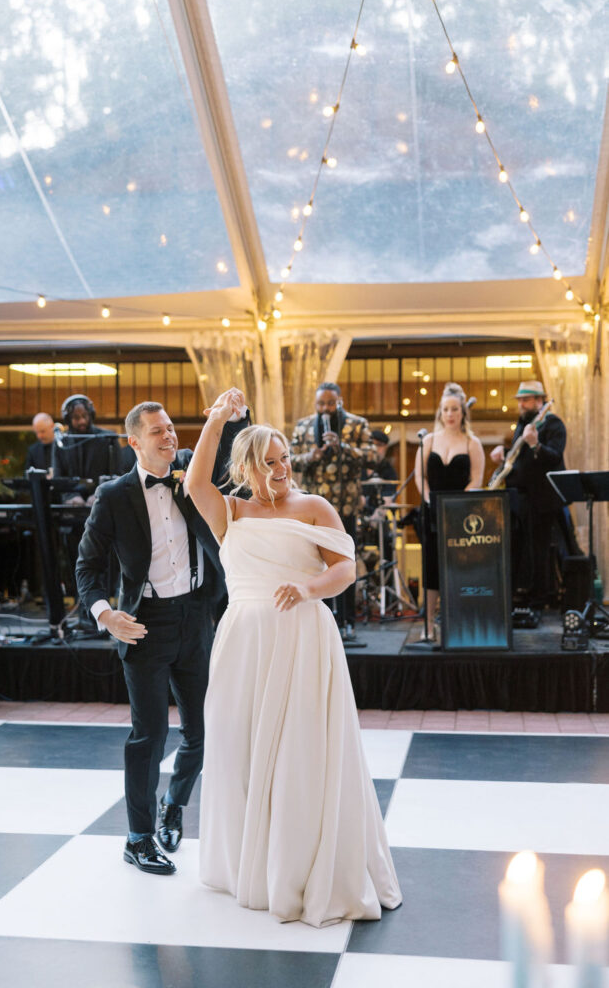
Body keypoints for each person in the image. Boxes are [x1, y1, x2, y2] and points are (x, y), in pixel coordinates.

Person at [186, 391, 402, 927]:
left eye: (285, 459)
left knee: (300, 751)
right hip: (242, 641)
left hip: (304, 636)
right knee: (238, 743)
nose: (282, 469)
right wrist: (216, 419)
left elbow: (345, 569)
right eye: (270, 461)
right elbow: (193, 484)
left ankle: (298, 865)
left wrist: (308, 589)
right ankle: (246, 866)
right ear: (246, 468)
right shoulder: (229, 511)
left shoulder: (314, 507)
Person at [75, 394, 248, 877]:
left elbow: (232, 448)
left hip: (197, 617)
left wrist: (233, 413)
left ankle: (176, 805)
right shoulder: (113, 496)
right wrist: (106, 613)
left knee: (201, 730)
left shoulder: (190, 469)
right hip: (143, 624)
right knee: (148, 736)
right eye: (158, 431)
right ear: (134, 441)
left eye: (171, 428)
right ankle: (138, 837)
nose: (170, 436)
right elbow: (87, 565)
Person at [290, 382, 373, 639]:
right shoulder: (303, 426)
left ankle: (348, 620)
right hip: (312, 507)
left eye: (330, 403)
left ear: (340, 401)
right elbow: (290, 460)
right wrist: (310, 457)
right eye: (321, 404)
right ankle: (321, 620)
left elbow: (372, 457)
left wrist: (343, 447)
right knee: (314, 563)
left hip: (345, 506)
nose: (325, 409)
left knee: (344, 562)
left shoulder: (357, 424)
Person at [414, 382, 485, 640]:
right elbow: (420, 477)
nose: (450, 414)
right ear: (440, 413)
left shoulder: (472, 442)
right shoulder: (428, 441)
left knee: (458, 568)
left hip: (461, 515)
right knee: (431, 568)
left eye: (455, 409)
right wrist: (429, 500)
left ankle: (457, 622)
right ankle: (429, 625)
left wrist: (460, 506)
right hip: (432, 511)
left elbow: (477, 478)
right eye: (446, 409)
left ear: (463, 412)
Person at [490, 380, 566, 613]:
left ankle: (540, 597)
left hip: (542, 498)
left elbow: (554, 457)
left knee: (539, 549)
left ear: (539, 401)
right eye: (520, 400)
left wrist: (536, 445)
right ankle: (521, 593)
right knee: (521, 549)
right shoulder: (523, 423)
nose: (521, 404)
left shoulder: (553, 424)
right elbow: (519, 458)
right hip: (519, 497)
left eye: (526, 399)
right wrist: (504, 455)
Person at [53, 394, 135, 506]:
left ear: (90, 415)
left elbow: (118, 473)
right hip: (72, 504)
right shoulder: (62, 442)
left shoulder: (108, 438)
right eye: (76, 418)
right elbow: (58, 478)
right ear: (68, 419)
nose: (82, 421)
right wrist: (71, 496)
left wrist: (99, 494)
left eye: (84, 416)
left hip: (102, 502)